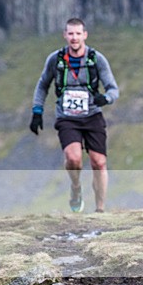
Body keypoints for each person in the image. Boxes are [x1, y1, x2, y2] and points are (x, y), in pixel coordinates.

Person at [30, 17, 119, 213]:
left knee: (99, 161)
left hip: (92, 115)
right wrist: (37, 111)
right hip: (67, 117)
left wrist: (106, 99)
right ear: (65, 35)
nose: (74, 37)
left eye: (78, 33)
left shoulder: (97, 59)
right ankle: (76, 188)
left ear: (85, 35)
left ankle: (100, 209)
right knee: (73, 159)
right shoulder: (56, 59)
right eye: (70, 33)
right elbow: (43, 85)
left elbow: (113, 89)